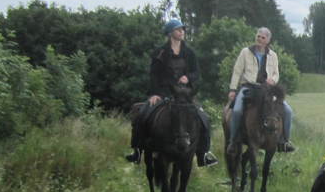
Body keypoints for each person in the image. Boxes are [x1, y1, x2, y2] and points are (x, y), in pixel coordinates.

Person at [125, 18, 218, 167]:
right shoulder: (160, 52)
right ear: (170, 33)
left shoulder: (189, 52)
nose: (182, 32)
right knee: (142, 114)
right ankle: (137, 150)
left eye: (182, 29)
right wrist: (154, 93)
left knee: (204, 118)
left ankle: (203, 154)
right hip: (163, 92)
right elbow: (154, 75)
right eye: (178, 29)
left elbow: (197, 73)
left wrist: (188, 77)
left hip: (184, 95)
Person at [226, 27, 296, 155]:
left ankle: (284, 141)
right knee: (236, 110)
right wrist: (233, 89)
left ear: (268, 40)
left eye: (263, 37)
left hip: (267, 89)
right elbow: (237, 71)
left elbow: (276, 73)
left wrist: (272, 80)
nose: (259, 39)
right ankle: (233, 142)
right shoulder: (245, 52)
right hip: (249, 87)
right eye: (258, 36)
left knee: (288, 111)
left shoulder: (273, 55)